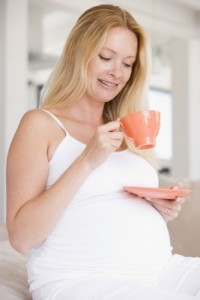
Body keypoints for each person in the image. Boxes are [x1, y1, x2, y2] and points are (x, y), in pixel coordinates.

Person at [6, 4, 200, 300]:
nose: (116, 73)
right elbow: (21, 237)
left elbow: (107, 207)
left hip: (160, 269)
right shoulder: (41, 124)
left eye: (127, 63)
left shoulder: (125, 128)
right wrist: (86, 160)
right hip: (80, 277)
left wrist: (162, 207)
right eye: (106, 57)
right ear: (79, 53)